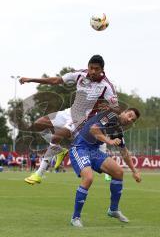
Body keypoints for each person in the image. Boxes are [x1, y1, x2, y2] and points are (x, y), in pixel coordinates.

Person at [19, 55, 119, 185]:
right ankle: (61, 149)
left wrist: (107, 111)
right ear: (88, 66)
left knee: (56, 137)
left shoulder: (107, 86)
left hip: (83, 119)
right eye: (91, 68)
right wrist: (31, 79)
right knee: (39, 124)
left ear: (102, 69)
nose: (93, 71)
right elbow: (56, 80)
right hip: (69, 113)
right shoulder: (80, 75)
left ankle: (39, 174)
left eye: (97, 69)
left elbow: (116, 109)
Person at [69, 107, 141, 227]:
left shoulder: (117, 129)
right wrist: (109, 141)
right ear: (123, 112)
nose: (129, 119)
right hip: (80, 148)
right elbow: (94, 129)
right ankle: (75, 217)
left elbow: (124, 151)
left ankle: (113, 210)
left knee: (118, 172)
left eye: (132, 120)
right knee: (88, 178)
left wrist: (134, 171)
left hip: (94, 151)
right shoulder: (111, 115)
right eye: (129, 115)